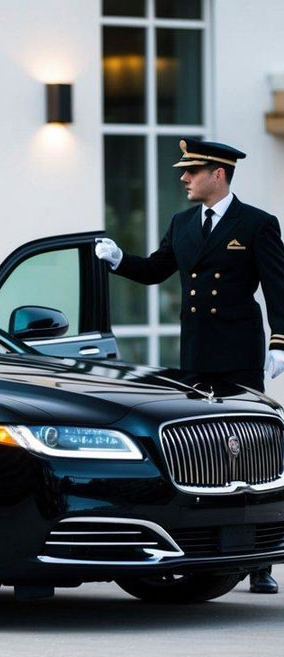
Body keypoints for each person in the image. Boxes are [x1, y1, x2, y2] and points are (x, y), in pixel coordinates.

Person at [95, 137, 284, 595]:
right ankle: (201, 544)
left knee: (248, 452)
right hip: (196, 355)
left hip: (238, 354)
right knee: (203, 454)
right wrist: (119, 261)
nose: (184, 178)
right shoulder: (182, 223)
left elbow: (278, 286)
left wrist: (280, 341)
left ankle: (259, 561)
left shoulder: (256, 223)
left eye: (192, 171)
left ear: (217, 174)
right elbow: (156, 270)